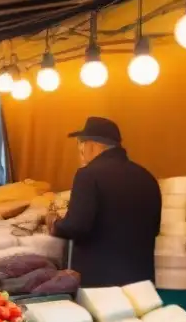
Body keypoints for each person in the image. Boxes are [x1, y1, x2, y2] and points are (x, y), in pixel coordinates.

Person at [47, 117, 160, 287]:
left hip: (101, 284)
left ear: (92, 145)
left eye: (81, 145)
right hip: (141, 282)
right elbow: (155, 228)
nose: (81, 151)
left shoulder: (88, 175)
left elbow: (76, 226)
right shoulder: (146, 176)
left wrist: (55, 225)